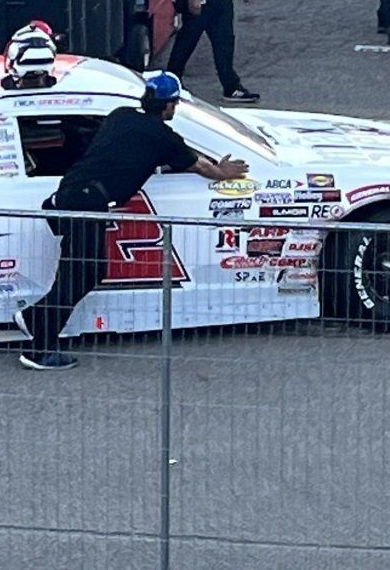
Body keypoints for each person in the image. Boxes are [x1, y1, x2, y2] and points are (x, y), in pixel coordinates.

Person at [20, 70, 247, 371]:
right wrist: (224, 171)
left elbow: (124, 150)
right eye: (175, 104)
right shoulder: (163, 137)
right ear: (169, 106)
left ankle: (36, 317)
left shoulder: (120, 115)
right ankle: (39, 350)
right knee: (80, 274)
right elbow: (202, 166)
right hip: (88, 202)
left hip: (72, 193)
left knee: (87, 270)